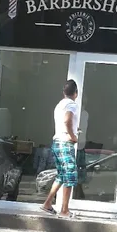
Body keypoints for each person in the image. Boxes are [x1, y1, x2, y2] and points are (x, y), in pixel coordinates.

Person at [41, 80, 80, 218]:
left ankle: (47, 204)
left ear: (64, 92)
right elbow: (67, 120)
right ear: (76, 93)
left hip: (57, 142)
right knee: (69, 175)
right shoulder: (71, 105)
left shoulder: (59, 105)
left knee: (61, 175)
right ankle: (64, 210)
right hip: (65, 142)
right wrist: (73, 136)